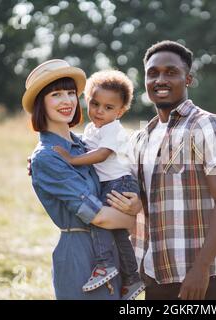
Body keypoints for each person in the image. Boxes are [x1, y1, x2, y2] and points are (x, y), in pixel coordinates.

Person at [22, 59, 142, 300]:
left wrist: (138, 203)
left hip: (112, 250)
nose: (67, 101)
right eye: (56, 94)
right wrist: (135, 217)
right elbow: (99, 217)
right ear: (40, 104)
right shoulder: (47, 157)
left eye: (70, 93)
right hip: (80, 254)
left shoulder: (83, 144)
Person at [130, 40, 216, 300]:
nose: (160, 79)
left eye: (171, 72)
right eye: (153, 73)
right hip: (152, 274)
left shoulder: (207, 126)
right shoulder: (141, 138)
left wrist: (201, 269)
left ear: (188, 79)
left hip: (195, 279)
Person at [53, 70, 145, 300]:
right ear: (87, 100)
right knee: (118, 233)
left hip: (120, 182)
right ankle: (132, 277)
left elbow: (102, 154)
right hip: (110, 183)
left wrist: (72, 160)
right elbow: (80, 144)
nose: (99, 111)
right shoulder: (93, 128)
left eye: (108, 107)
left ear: (121, 111)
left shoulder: (114, 130)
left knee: (98, 218)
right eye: (95, 104)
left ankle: (105, 265)